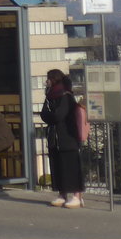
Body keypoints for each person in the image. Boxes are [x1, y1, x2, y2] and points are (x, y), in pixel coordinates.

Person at [40, 69, 84, 208]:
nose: (47, 81)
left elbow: (59, 115)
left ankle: (77, 195)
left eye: (49, 78)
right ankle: (62, 193)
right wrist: (51, 116)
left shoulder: (66, 95)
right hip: (55, 138)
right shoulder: (50, 96)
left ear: (54, 79)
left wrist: (51, 116)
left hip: (67, 137)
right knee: (58, 166)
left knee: (70, 166)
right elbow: (44, 114)